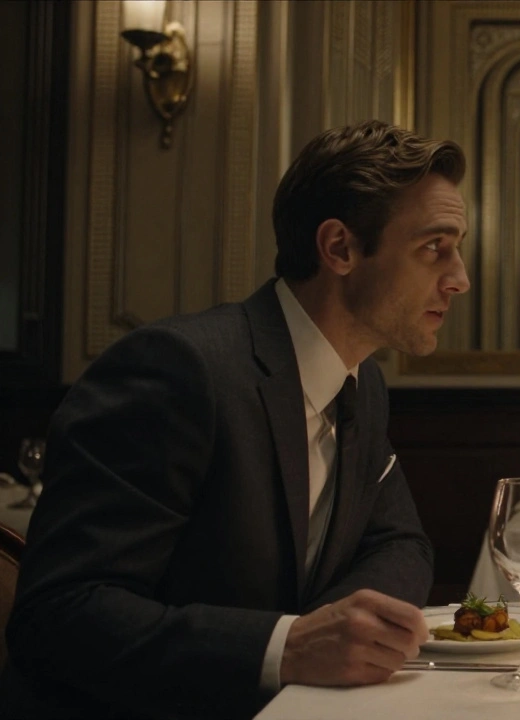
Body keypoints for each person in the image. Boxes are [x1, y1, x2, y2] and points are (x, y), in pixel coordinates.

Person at [0, 120, 471, 719]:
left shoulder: (365, 381)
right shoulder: (178, 371)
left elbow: (402, 543)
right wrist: (288, 647)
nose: (459, 278)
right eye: (435, 247)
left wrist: (332, 635)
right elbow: (58, 617)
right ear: (339, 249)